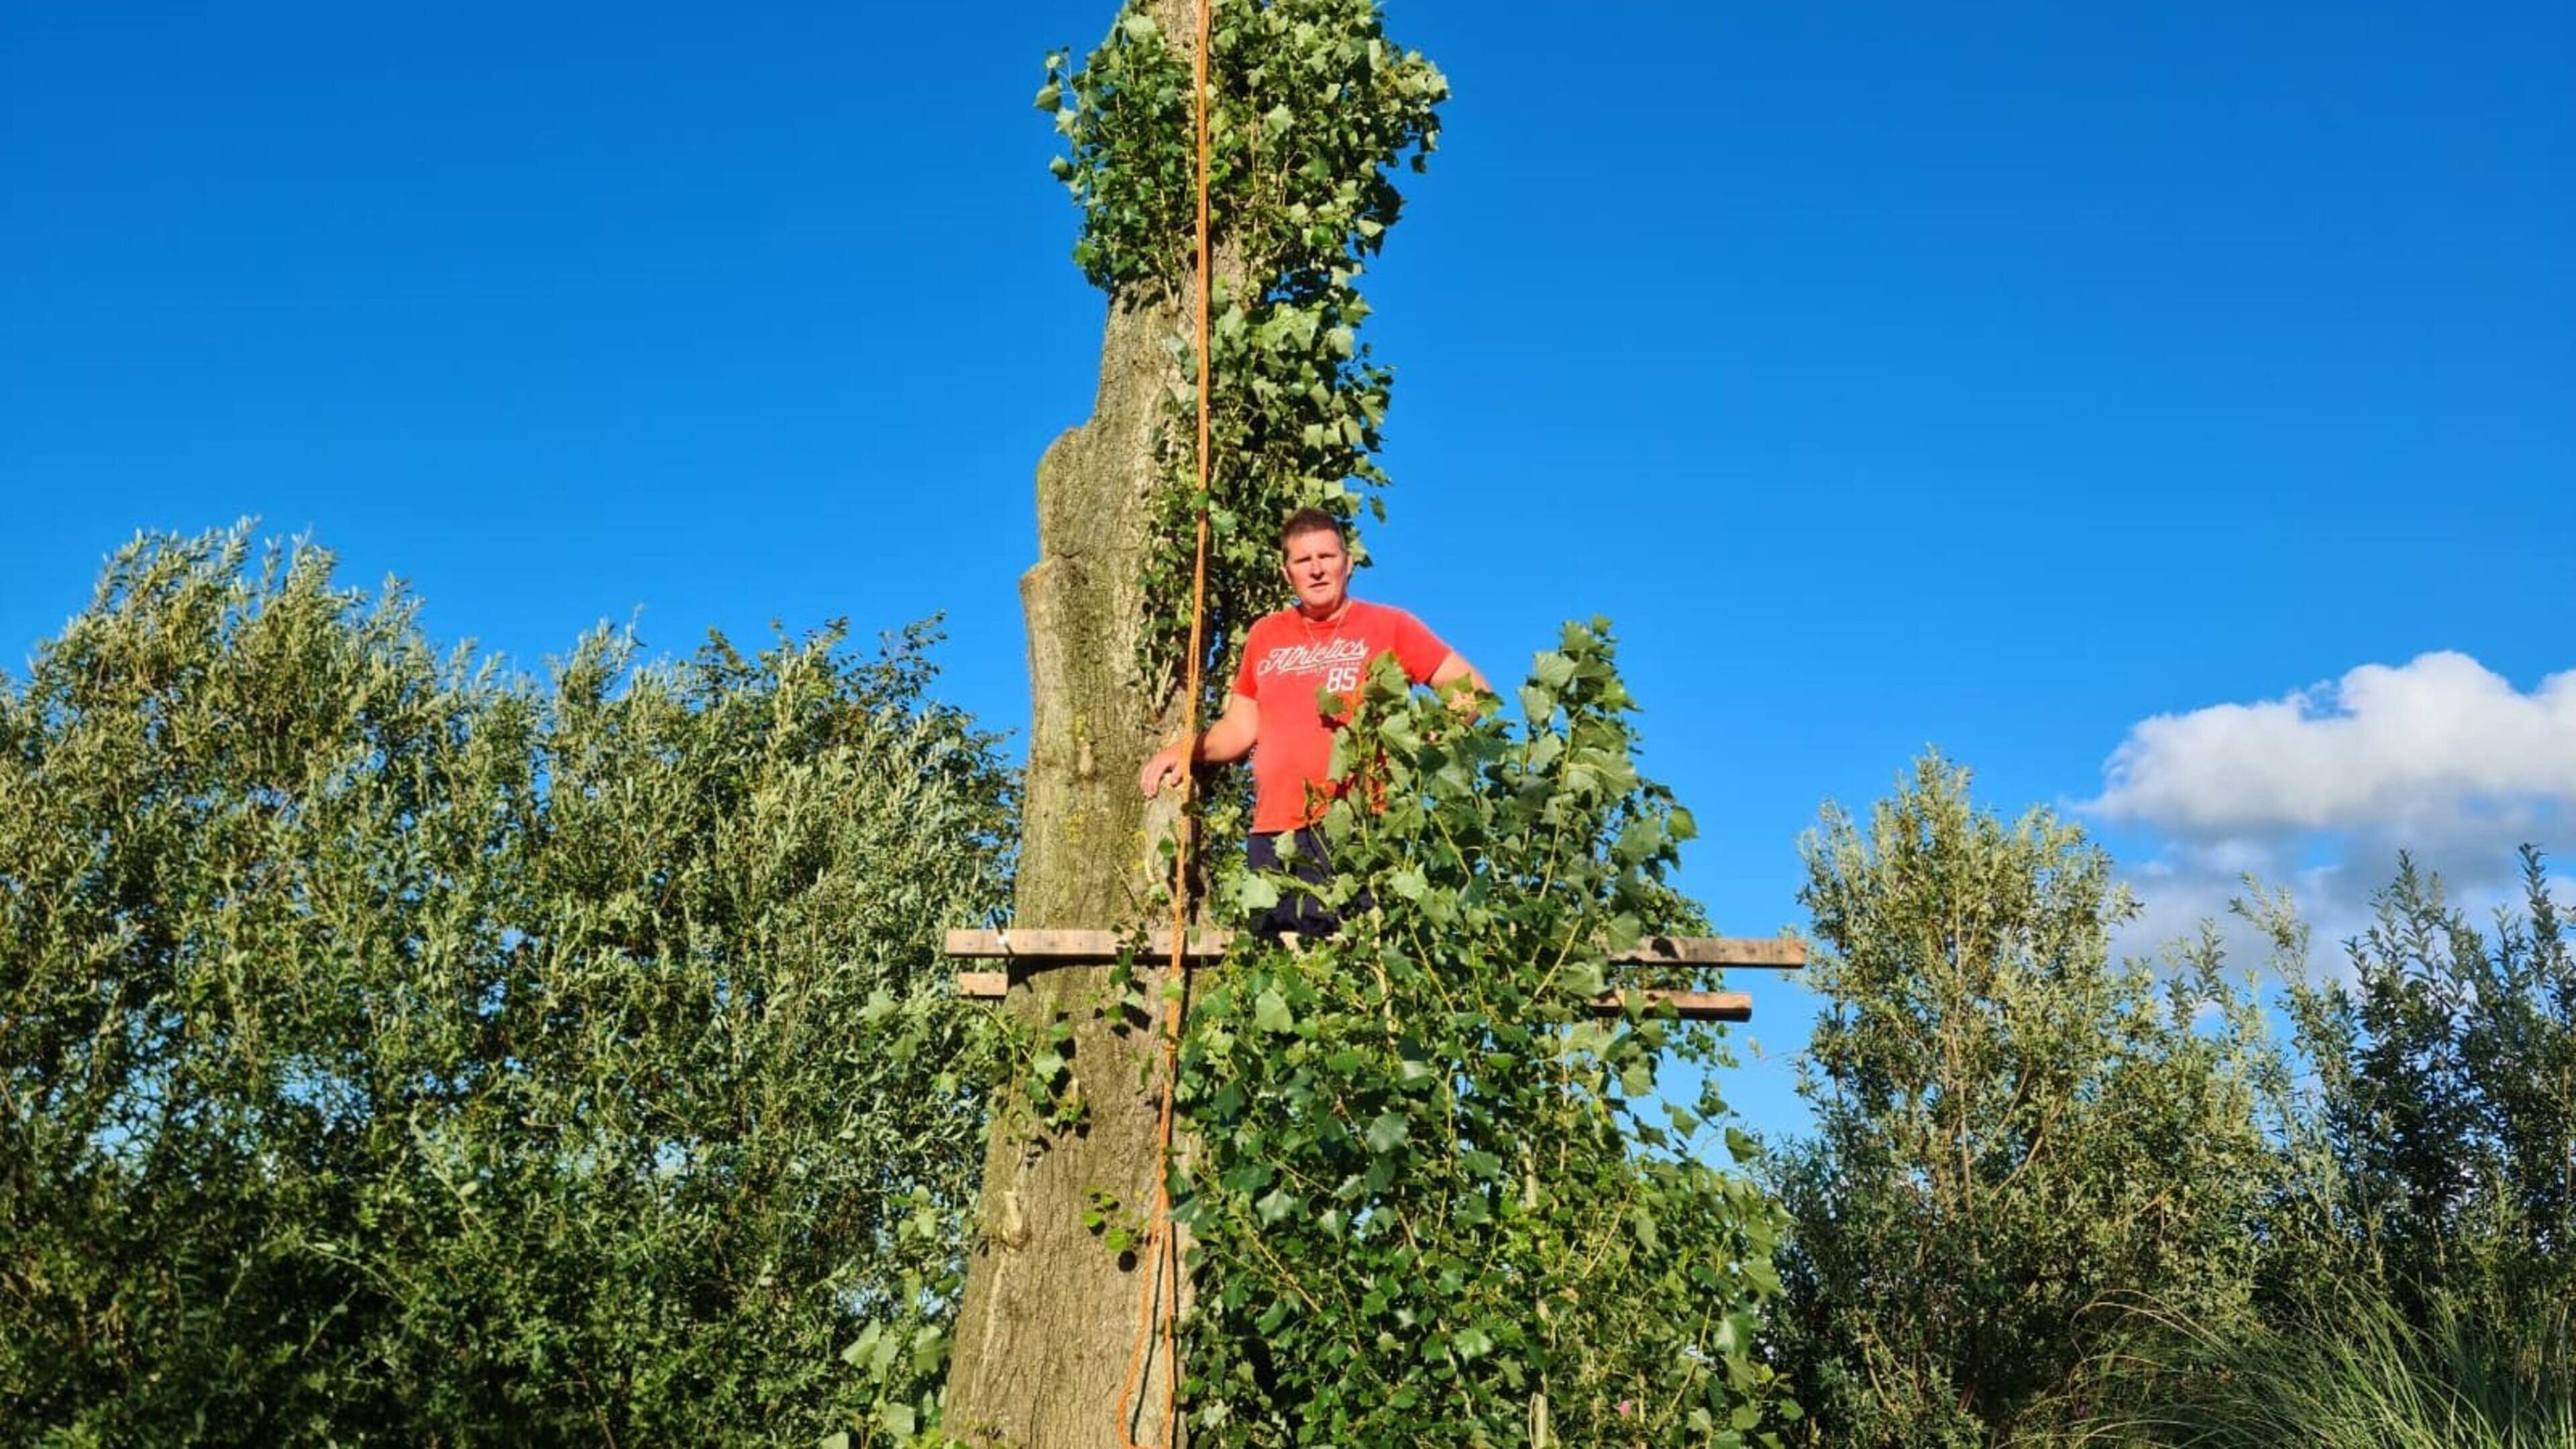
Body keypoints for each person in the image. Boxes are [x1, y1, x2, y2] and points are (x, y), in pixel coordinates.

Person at [1138, 507, 1488, 936]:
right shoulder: (1265, 635)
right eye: (1304, 561)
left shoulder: (1390, 626)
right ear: (1288, 574)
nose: (1317, 570)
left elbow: (1475, 694)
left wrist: (1419, 743)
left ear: (1349, 564)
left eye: (1327, 557)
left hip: (1359, 829)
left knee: (1357, 971)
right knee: (1280, 978)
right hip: (1274, 837)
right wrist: (1186, 750)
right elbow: (1240, 729)